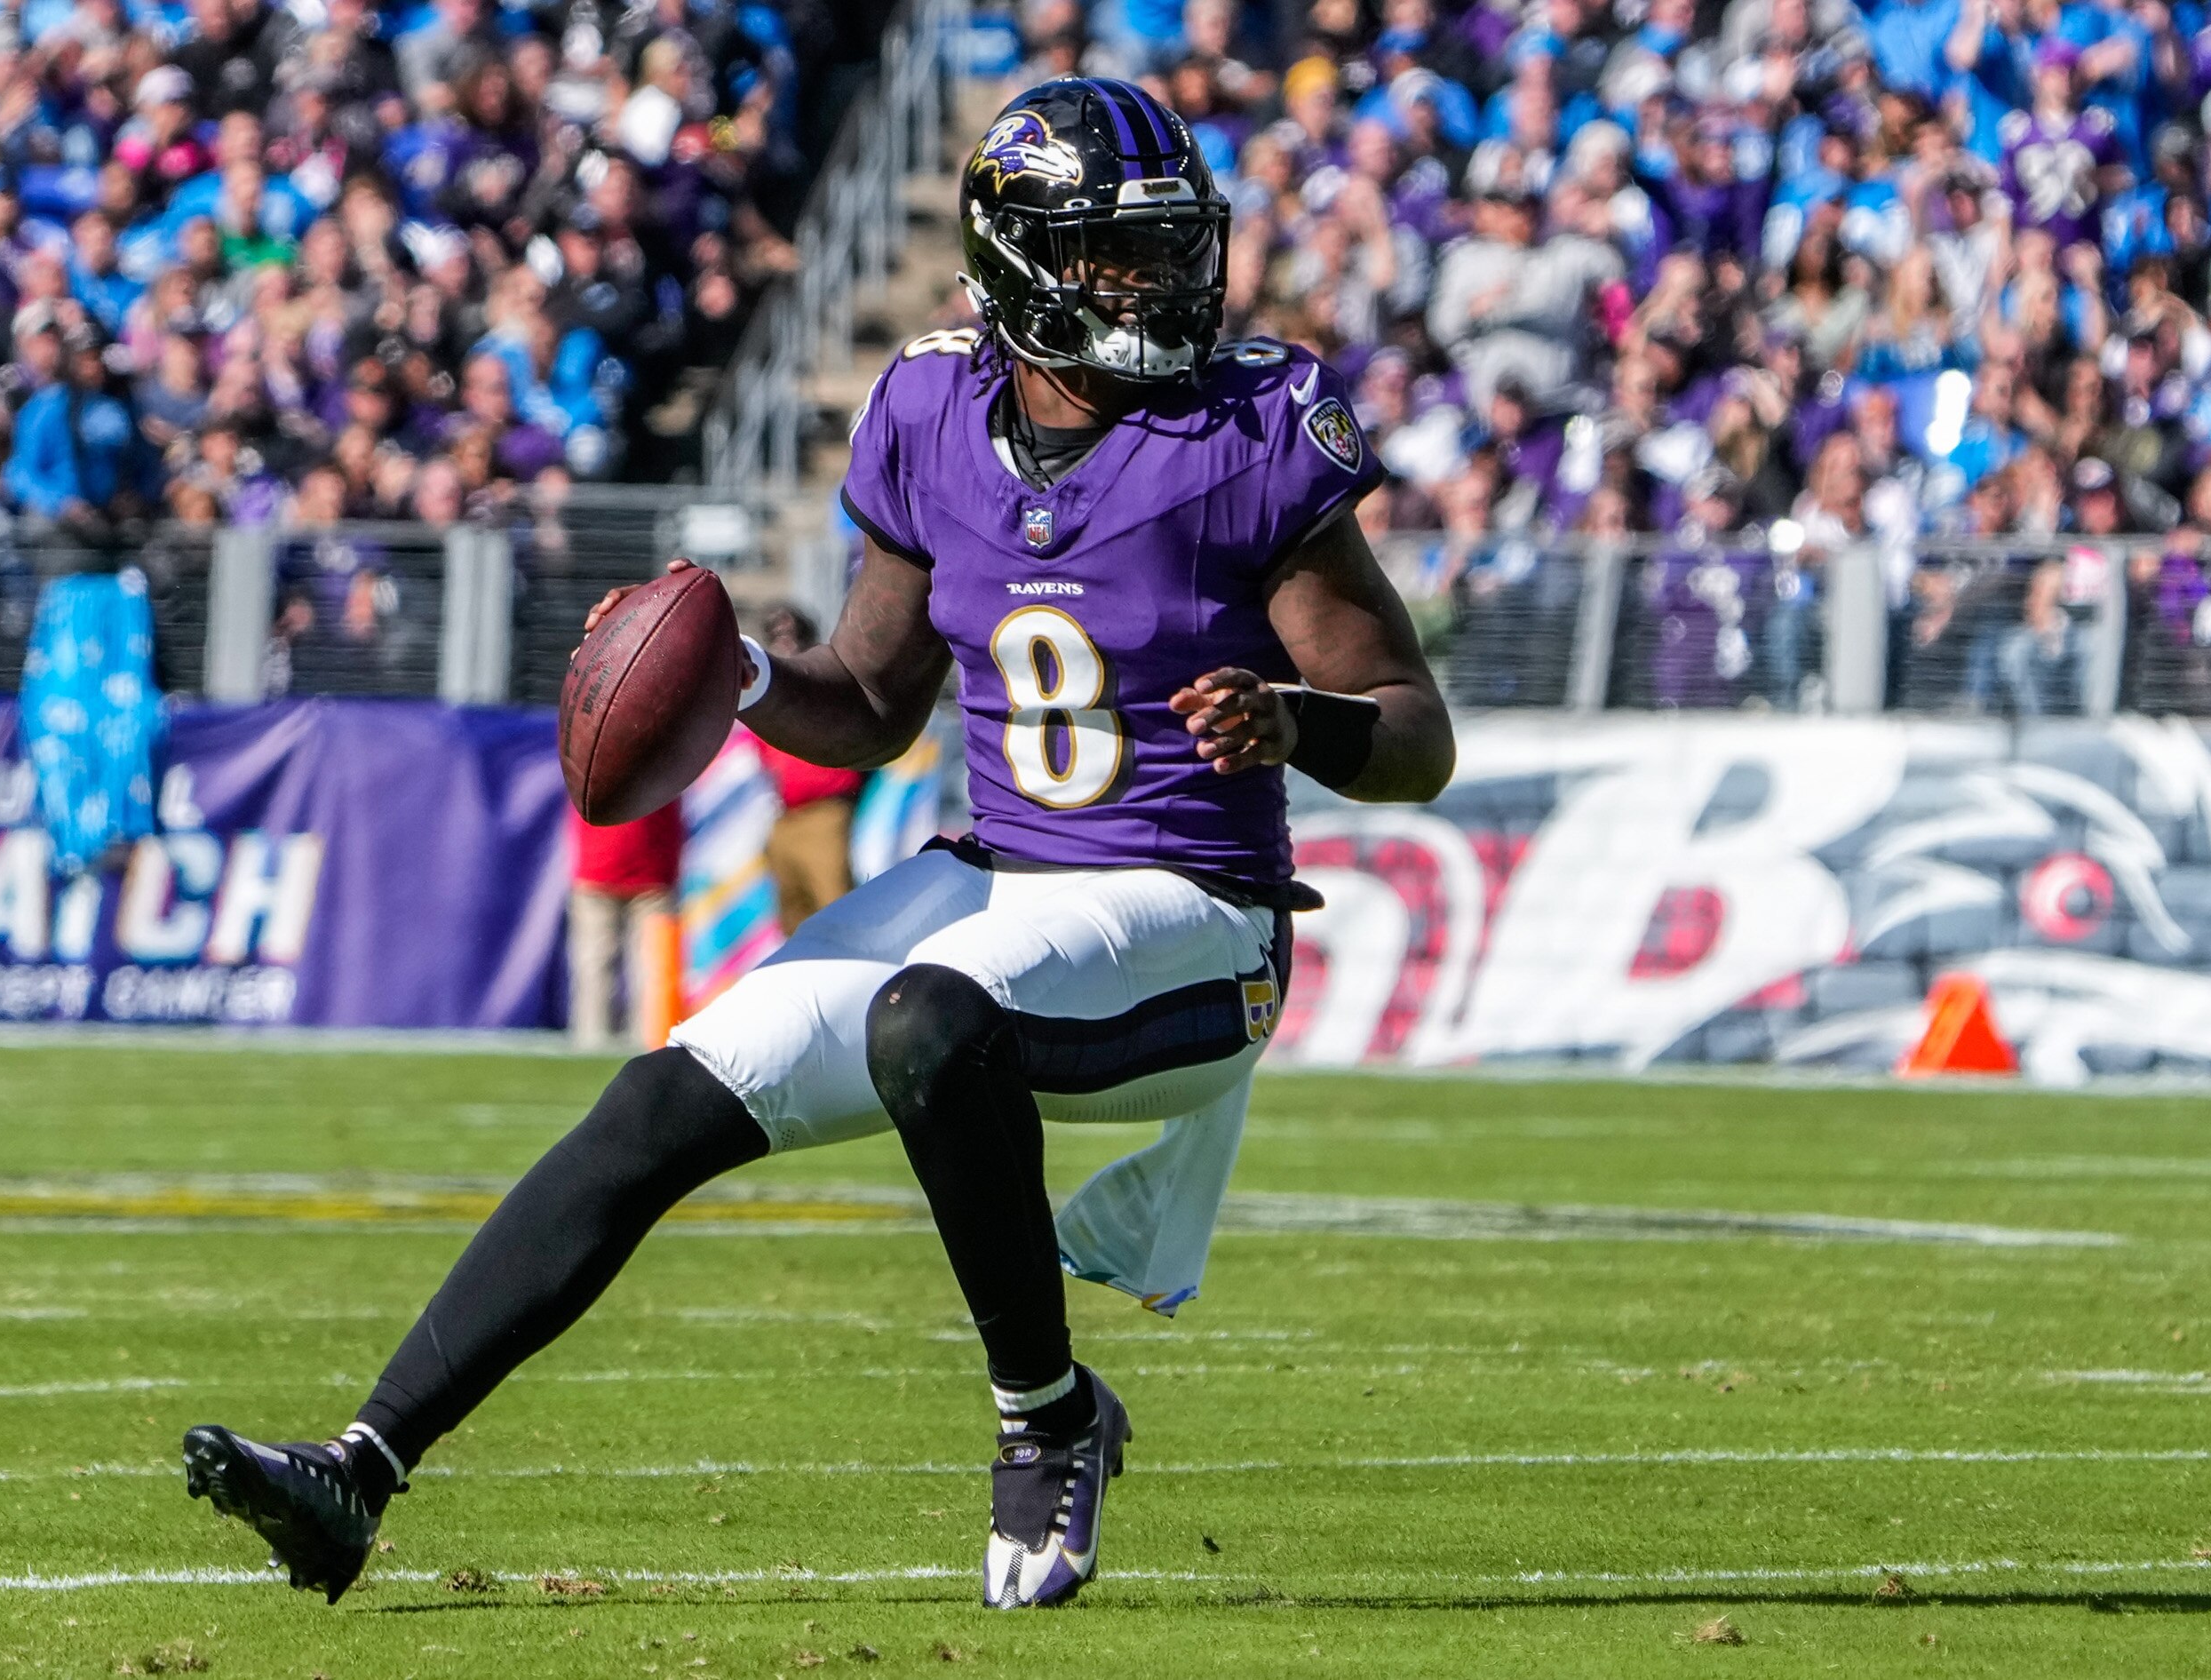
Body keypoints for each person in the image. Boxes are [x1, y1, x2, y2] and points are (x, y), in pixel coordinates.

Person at [179, 77, 1454, 1613]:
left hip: (1199, 914)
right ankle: (357, 1471)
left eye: (1169, 250)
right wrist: (750, 681)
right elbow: (869, 702)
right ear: (1018, 263)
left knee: (932, 1014)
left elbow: (1411, 728)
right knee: (663, 1098)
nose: (1158, 286)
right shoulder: (930, 405)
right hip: (1005, 882)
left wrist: (1296, 721)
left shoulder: (1246, 424)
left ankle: (1045, 1420)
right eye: (1117, 256)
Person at [748, 604, 863, 934]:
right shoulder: (764, 687)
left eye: (791, 632)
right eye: (775, 635)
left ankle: (859, 981)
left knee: (837, 908)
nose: (784, 641)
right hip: (783, 816)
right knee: (793, 918)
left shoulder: (827, 677)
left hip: (825, 810)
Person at [563, 801, 683, 1053]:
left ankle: (650, 1044)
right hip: (600, 872)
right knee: (595, 966)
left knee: (653, 972)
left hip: (653, 876)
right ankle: (590, 1044)